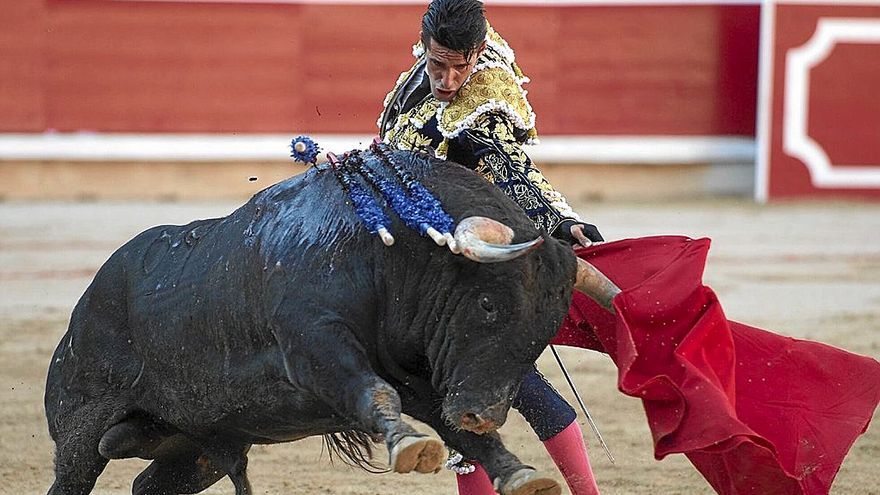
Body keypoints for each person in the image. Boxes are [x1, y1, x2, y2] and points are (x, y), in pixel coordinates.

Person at [378, 1, 602, 494]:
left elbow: (510, 168)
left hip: (478, 270)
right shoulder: (418, 80)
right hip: (431, 265)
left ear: (477, 53)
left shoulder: (485, 98)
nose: (449, 79)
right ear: (425, 46)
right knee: (467, 396)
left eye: (461, 66)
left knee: (503, 390)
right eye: (438, 65)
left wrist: (561, 222)